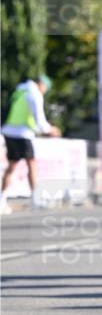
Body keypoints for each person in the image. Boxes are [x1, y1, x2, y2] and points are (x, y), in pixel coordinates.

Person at [0, 74, 61, 213]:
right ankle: (35, 200)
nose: (44, 92)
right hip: (23, 133)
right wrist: (51, 130)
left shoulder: (20, 90)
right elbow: (40, 120)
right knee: (32, 164)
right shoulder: (35, 93)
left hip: (8, 131)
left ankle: (1, 200)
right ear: (42, 84)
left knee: (12, 166)